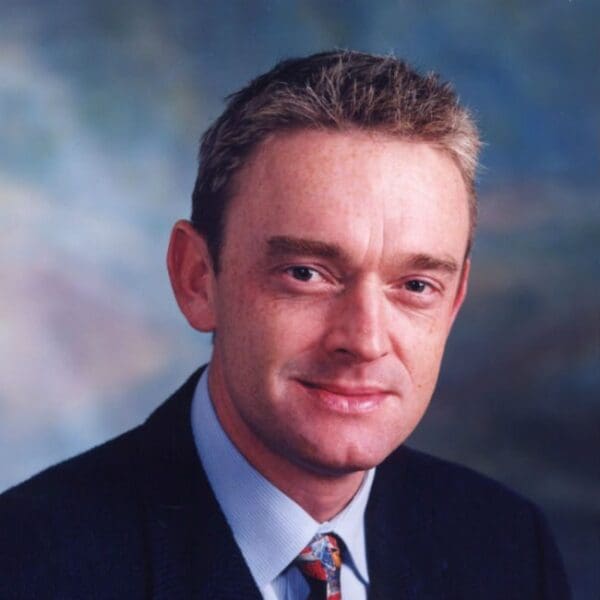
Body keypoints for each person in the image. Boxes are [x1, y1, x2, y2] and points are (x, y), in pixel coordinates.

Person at [0, 50, 570, 599]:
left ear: (454, 302)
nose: (365, 340)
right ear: (198, 279)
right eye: (306, 274)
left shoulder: (509, 548)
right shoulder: (26, 566)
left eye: (416, 286)